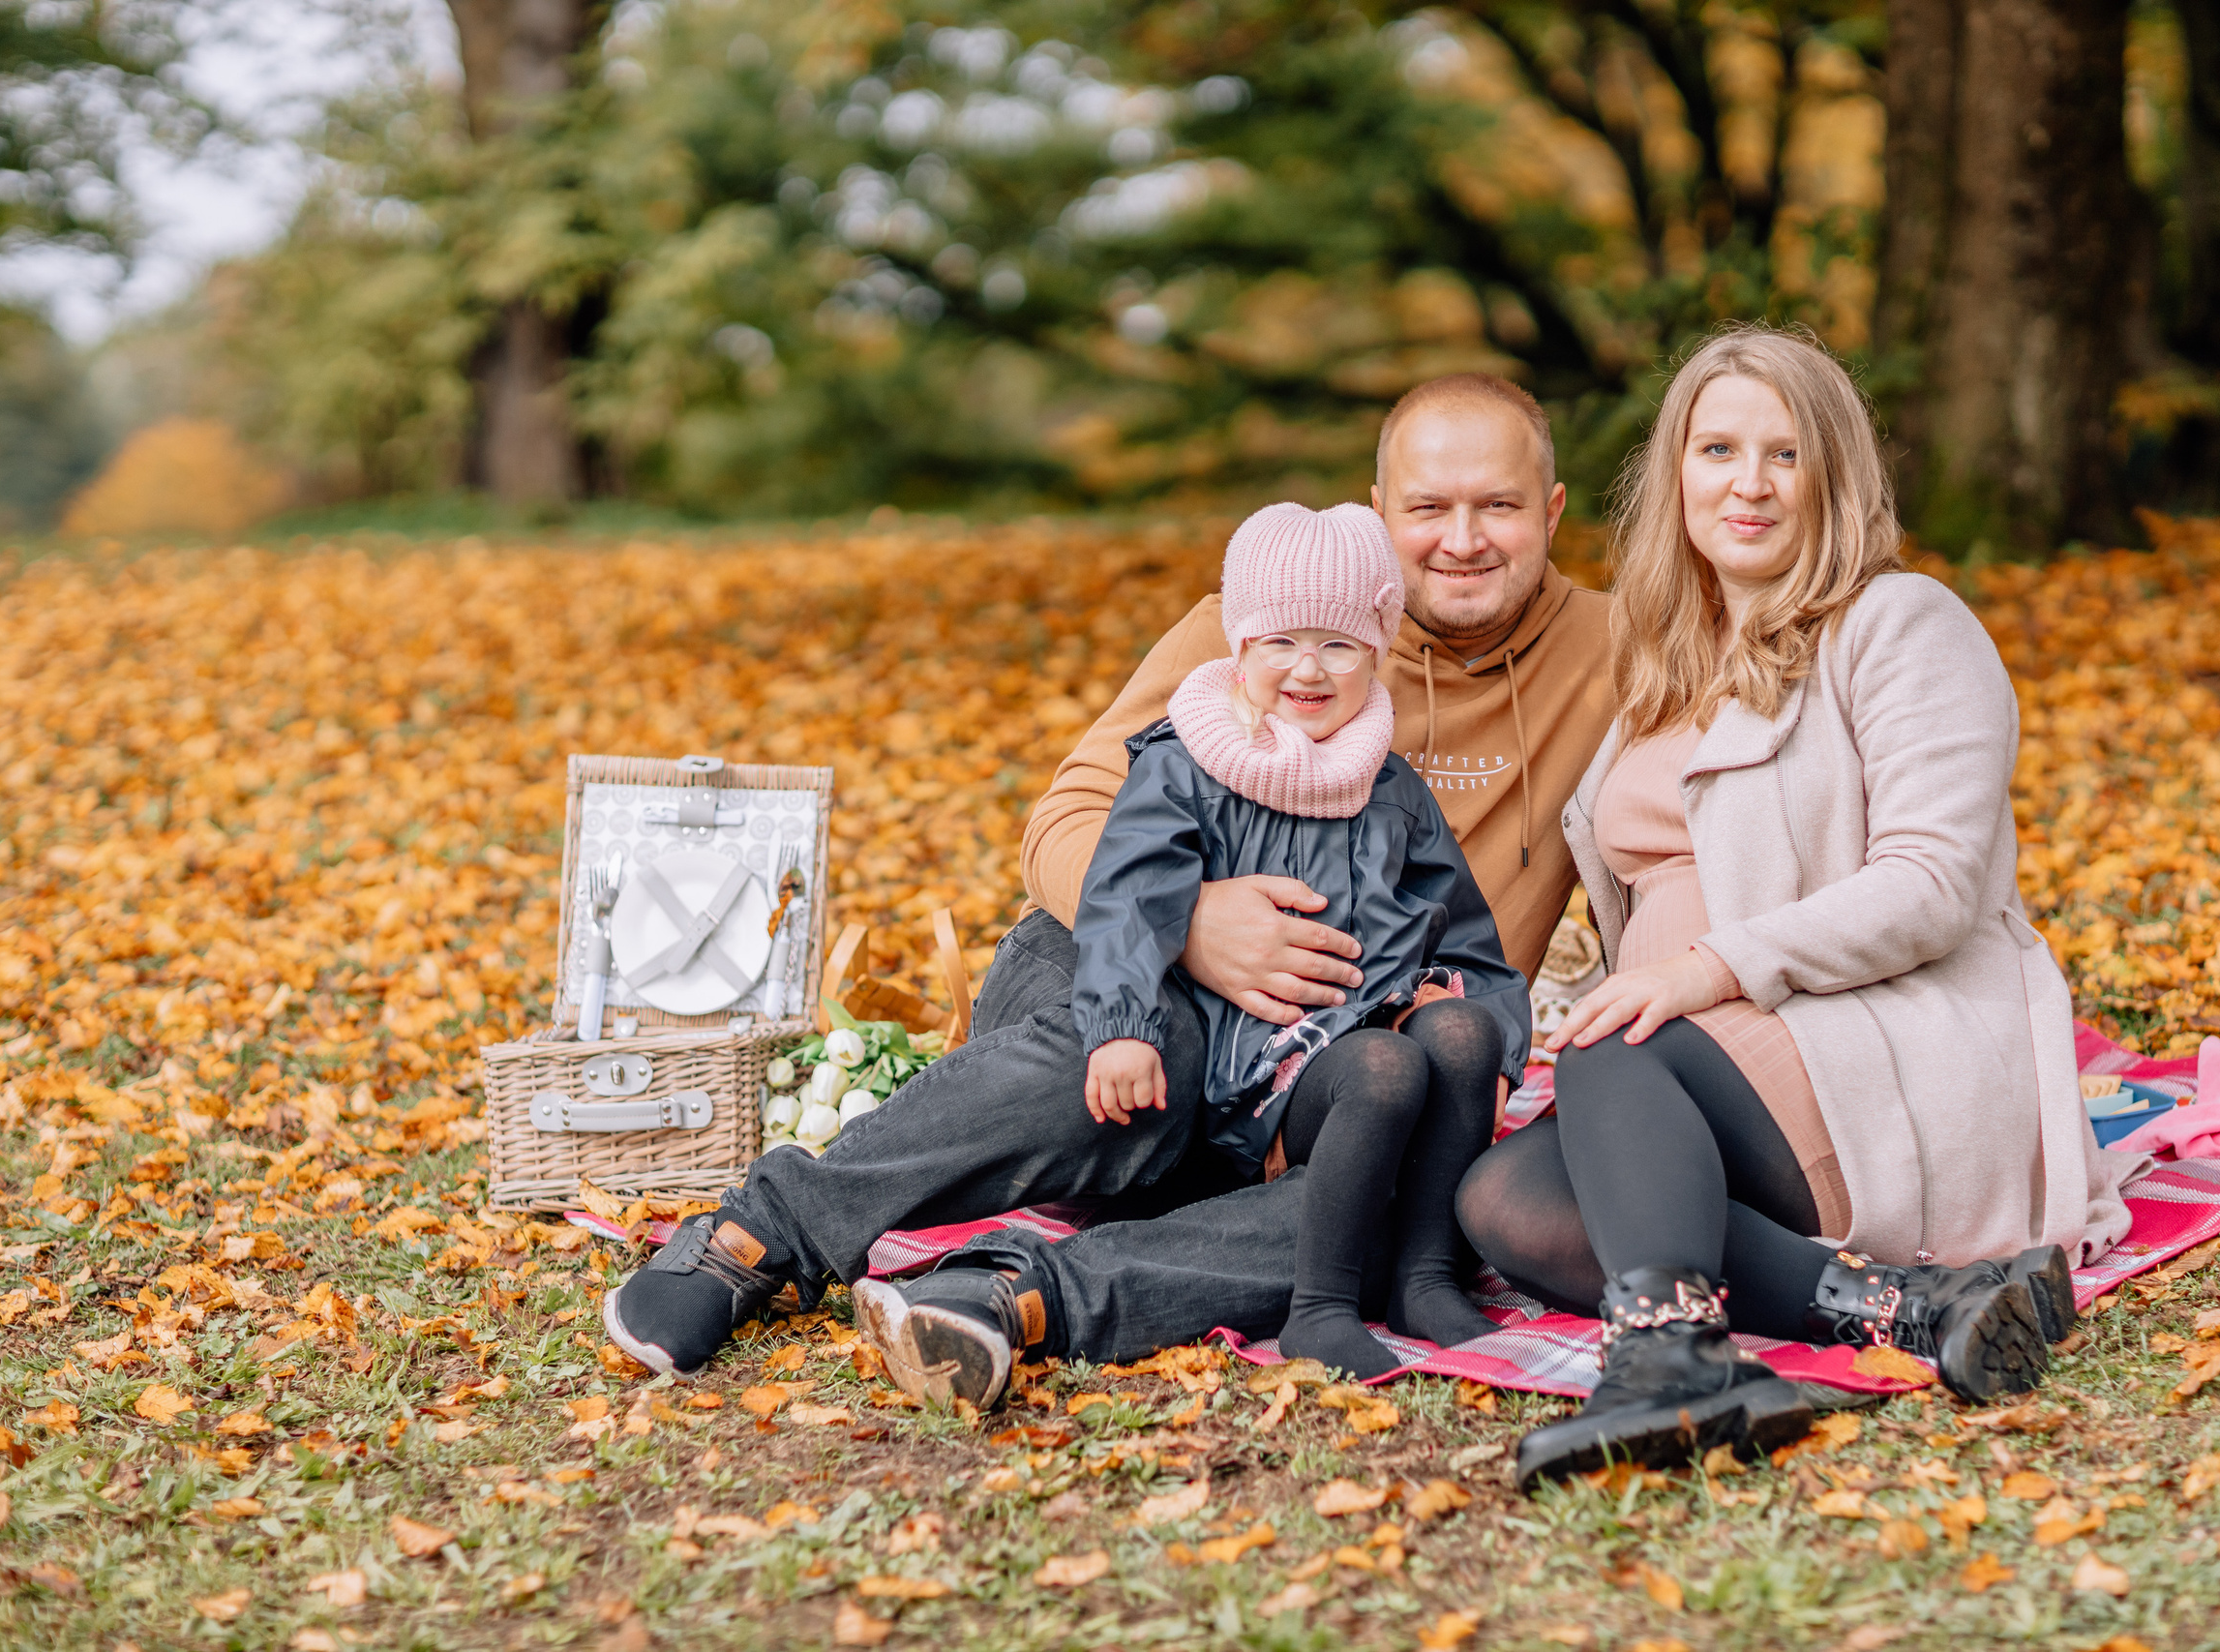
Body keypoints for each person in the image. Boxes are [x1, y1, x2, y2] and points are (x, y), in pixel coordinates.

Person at [603, 375, 1613, 1382]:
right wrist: (1191, 927)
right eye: (1429, 508)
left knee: (1398, 1191)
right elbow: (1061, 826)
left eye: (1500, 506)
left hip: (1314, 1073)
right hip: (1115, 985)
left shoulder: (1616, 657)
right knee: (1153, 1043)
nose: (1463, 539)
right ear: (1378, 515)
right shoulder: (1252, 626)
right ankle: (762, 1232)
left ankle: (1012, 1297)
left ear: (1553, 511)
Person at [1452, 327, 2145, 1489]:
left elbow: (1930, 888)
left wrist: (1701, 972)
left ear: (1835, 474)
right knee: (1502, 1196)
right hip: (1708, 1063)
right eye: (1718, 448)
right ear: (1676, 473)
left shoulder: (1898, 624)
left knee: (1624, 1049)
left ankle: (1669, 1366)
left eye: (1784, 453)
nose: (1749, 482)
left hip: (1881, 1044)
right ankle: (1914, 1309)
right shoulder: (1666, 663)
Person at [854, 503, 1528, 1399]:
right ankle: (1320, 1309)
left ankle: (1425, 1281)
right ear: (1239, 650)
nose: (1308, 668)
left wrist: (1463, 1009)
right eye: (1280, 641)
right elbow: (1127, 897)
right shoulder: (1187, 766)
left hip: (1343, 1050)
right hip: (1238, 1075)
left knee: (1462, 1040)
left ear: (1377, 652)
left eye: (1339, 646)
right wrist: (1124, 1026)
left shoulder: (1392, 791)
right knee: (1384, 1070)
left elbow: (1466, 934)